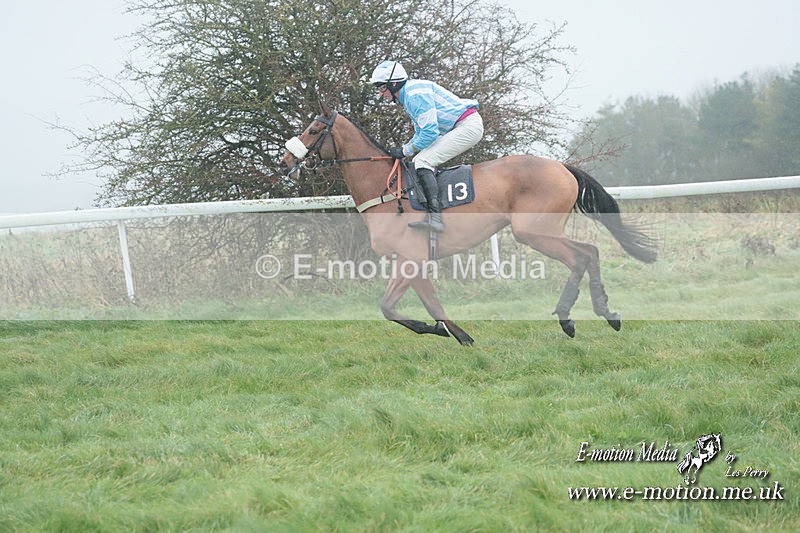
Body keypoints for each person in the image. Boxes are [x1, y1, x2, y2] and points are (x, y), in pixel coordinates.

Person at [369, 60, 483, 233]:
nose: (381, 93)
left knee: (422, 161)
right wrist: (405, 149)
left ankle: (436, 219)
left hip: (467, 126)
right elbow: (422, 133)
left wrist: (405, 150)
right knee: (419, 159)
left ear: (393, 84)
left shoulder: (414, 96)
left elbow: (430, 133)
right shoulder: (409, 95)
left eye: (382, 87)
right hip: (462, 125)